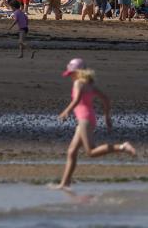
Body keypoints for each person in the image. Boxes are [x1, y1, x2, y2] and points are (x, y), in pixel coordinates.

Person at [56, 58, 136, 189]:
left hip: (84, 120)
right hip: (89, 119)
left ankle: (123, 147)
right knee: (71, 151)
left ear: (77, 72)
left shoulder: (78, 83)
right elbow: (106, 99)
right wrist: (107, 117)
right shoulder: (89, 84)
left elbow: (76, 100)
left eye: (71, 73)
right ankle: (65, 183)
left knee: (91, 151)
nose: (70, 76)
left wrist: (66, 111)